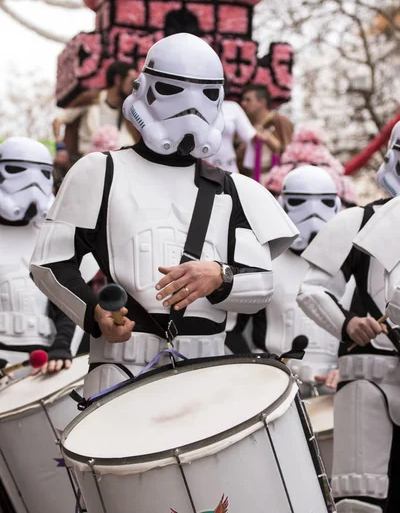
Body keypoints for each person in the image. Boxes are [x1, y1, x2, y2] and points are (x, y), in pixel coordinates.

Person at [30, 33, 298, 398]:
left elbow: (263, 285)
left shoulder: (236, 190)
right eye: (173, 90)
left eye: (206, 94)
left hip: (207, 372)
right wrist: (95, 314)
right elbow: (50, 262)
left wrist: (220, 276)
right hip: (121, 366)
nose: (190, 109)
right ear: (145, 90)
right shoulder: (99, 172)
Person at [296, 122, 400, 513]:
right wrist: (347, 323)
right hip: (370, 370)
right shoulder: (357, 223)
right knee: (360, 500)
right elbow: (312, 288)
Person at [226, 166, 341, 396]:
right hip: (275, 389)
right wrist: (262, 367)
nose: (313, 214)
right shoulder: (266, 262)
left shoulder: (349, 266)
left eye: (324, 203)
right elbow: (231, 330)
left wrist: (346, 368)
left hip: (336, 392)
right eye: (299, 202)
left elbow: (364, 331)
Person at [0, 137, 82, 378]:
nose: (32, 185)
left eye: (44, 174)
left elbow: (65, 301)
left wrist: (62, 346)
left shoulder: (50, 238)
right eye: (16, 170)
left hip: (43, 366)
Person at [53, 61, 139, 166]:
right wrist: (60, 148)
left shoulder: (129, 111)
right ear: (118, 80)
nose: (134, 87)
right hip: (89, 165)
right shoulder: (92, 99)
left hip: (119, 167)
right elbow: (58, 120)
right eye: (132, 82)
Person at [240, 84, 293, 181]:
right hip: (249, 179)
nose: (243, 103)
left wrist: (271, 141)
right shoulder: (246, 123)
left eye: (248, 100)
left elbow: (290, 153)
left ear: (262, 102)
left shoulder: (280, 121)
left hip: (273, 180)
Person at [206, 98, 256, 173]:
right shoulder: (195, 104)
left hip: (229, 168)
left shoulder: (232, 107)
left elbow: (250, 135)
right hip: (203, 168)